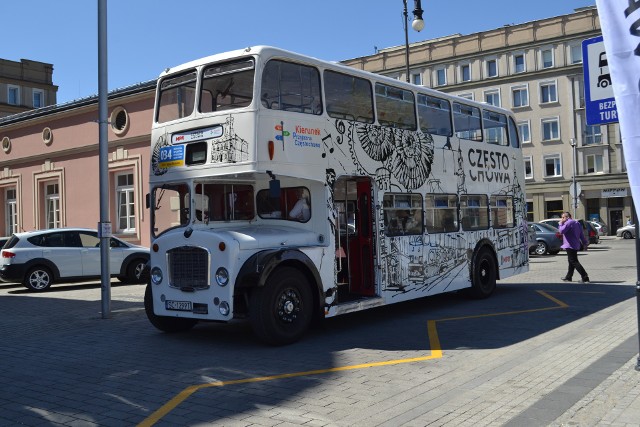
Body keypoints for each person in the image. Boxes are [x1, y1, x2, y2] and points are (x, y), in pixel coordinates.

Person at [558, 211, 590, 283]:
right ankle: (568, 277)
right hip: (575, 244)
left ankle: (585, 277)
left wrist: (560, 224)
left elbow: (561, 231)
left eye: (563, 217)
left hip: (569, 245)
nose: (562, 219)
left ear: (567, 217)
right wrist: (585, 243)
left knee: (574, 261)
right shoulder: (577, 223)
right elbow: (581, 234)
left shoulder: (568, 223)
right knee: (571, 261)